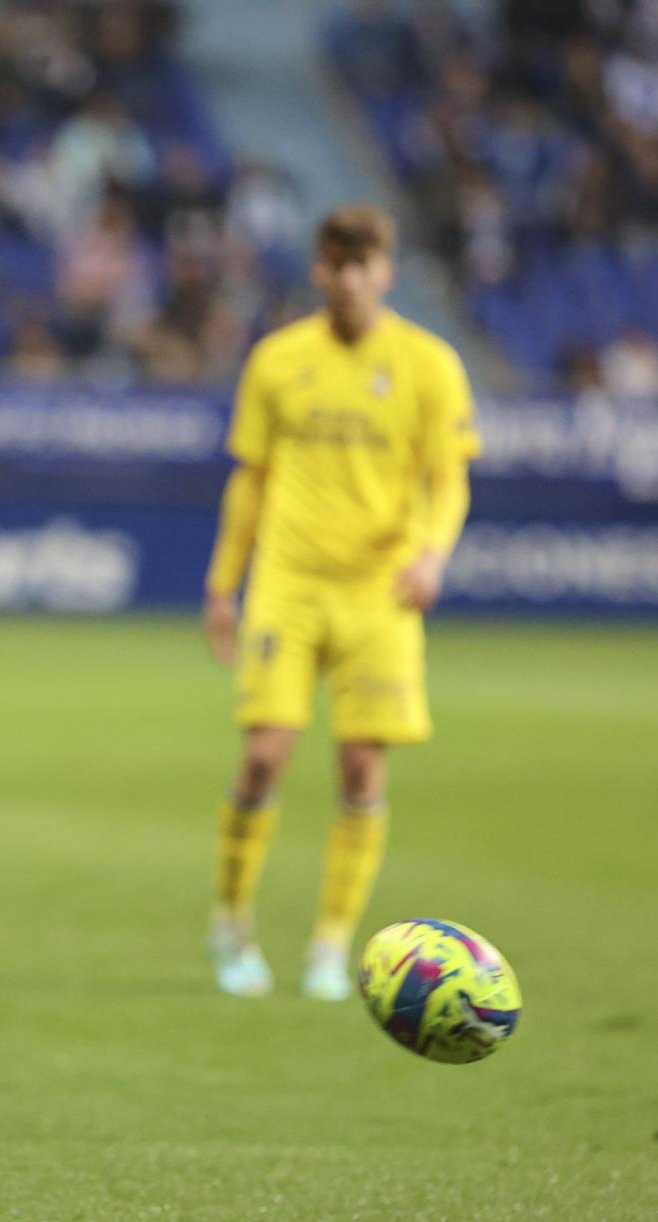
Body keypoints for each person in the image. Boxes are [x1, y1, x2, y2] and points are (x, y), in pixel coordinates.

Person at [203, 203, 478, 1001]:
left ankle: (332, 945)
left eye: (366, 263)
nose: (351, 277)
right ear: (320, 270)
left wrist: (433, 554)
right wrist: (225, 584)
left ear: (386, 270)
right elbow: (248, 477)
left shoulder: (429, 364)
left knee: (362, 767)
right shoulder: (279, 360)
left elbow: (449, 475)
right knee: (265, 755)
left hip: (380, 592)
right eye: (338, 262)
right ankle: (231, 921)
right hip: (287, 586)